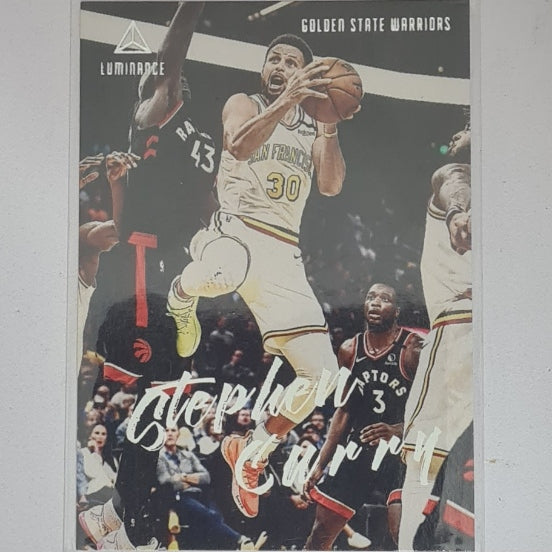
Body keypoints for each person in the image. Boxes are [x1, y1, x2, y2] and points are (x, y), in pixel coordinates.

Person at [167, 32, 359, 519]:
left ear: (304, 73)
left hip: (284, 252)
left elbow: (331, 186)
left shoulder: (312, 125)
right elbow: (237, 143)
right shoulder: (244, 102)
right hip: (233, 229)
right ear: (263, 70)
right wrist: (288, 99)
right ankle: (180, 293)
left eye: (291, 62)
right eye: (274, 59)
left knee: (322, 377)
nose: (279, 66)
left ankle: (252, 451)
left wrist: (329, 124)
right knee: (223, 272)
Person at [79, 3, 217, 549]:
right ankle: (115, 516)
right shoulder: (171, 125)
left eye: (161, 80)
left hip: (170, 264)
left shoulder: (182, 126)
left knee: (165, 397)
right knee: (160, 394)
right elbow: (170, 54)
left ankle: (117, 516)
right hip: (153, 262)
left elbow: (206, 206)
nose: (155, 83)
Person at [303, 283, 422, 550]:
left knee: (403, 532)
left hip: (401, 452)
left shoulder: (413, 349)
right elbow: (344, 410)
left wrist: (398, 429)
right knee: (319, 535)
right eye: (370, 297)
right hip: (360, 449)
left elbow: (435, 409)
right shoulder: (349, 349)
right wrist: (321, 463)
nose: (376, 303)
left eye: (384, 298)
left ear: (397, 310)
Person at [398, 124, 472, 549]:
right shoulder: (461, 182)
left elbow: (453, 177)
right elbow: (450, 181)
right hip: (469, 330)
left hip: (474, 333)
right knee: (441, 458)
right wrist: (458, 212)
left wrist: (458, 214)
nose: (457, 138)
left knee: (430, 459)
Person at [155, 427, 266, 550]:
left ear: (178, 434)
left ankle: (235, 546)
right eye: (166, 430)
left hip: (199, 495)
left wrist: (183, 477)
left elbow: (206, 477)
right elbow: (166, 481)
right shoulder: (159, 458)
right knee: (211, 516)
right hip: (178, 497)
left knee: (217, 515)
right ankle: (240, 541)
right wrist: (193, 480)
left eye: (173, 431)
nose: (170, 434)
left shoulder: (188, 455)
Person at [80, 424, 119, 505]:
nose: (100, 437)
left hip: (110, 494)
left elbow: (115, 479)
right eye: (97, 433)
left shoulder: (111, 458)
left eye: (103, 434)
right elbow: (92, 473)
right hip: (93, 494)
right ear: (90, 436)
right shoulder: (84, 453)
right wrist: (96, 452)